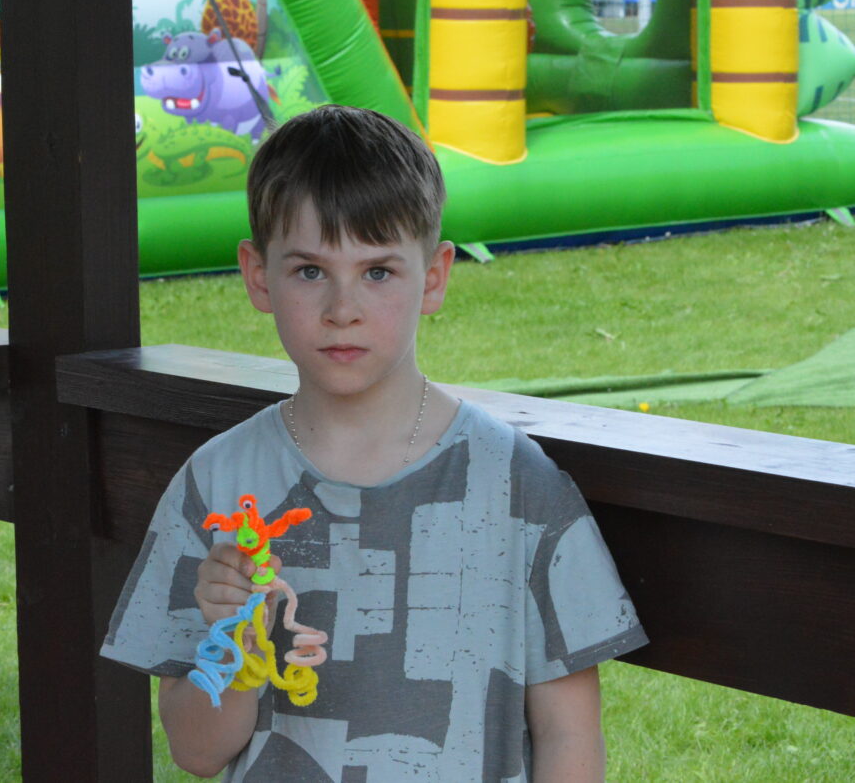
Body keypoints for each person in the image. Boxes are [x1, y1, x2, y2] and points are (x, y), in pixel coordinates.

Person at [100, 104, 647, 781]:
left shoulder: (517, 484)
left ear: (435, 276)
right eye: (310, 271)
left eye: (378, 271)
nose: (342, 309)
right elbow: (196, 751)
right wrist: (236, 643)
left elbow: (570, 736)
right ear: (258, 275)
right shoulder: (216, 485)